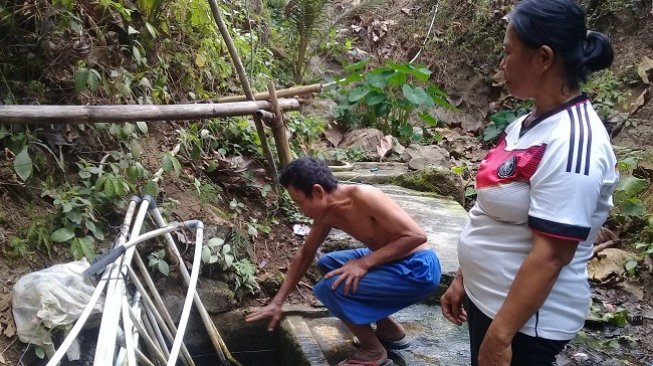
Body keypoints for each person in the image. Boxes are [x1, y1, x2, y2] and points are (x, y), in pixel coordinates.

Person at [440, 1, 619, 365]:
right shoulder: (525, 124)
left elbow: (551, 255)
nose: (501, 64)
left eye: (508, 52)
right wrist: (464, 277)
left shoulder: (573, 143)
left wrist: (500, 337)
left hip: (524, 323)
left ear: (543, 58)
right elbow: (491, 209)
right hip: (488, 299)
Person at [246, 156, 441, 366]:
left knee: (329, 288)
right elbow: (305, 254)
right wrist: (278, 301)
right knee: (329, 263)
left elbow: (416, 236)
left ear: (318, 191)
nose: (299, 210)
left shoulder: (364, 196)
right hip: (392, 261)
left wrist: (364, 263)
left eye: (299, 203)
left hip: (419, 267)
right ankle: (389, 330)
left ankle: (372, 350)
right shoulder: (326, 213)